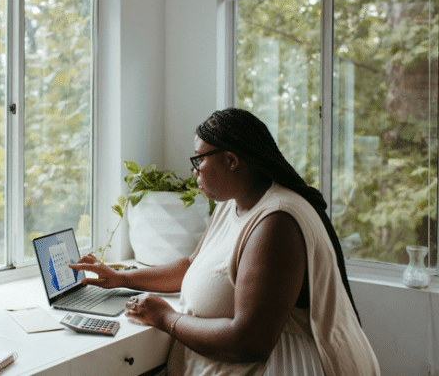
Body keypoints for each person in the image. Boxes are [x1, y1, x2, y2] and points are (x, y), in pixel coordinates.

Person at [70, 108, 381, 375]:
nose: (194, 172)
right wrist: (121, 277)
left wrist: (166, 317)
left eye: (199, 160)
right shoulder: (232, 204)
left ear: (231, 160)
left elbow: (248, 342)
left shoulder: (277, 222)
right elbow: (192, 265)